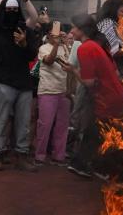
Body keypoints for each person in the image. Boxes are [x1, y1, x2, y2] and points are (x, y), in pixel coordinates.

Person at [0, 0, 40, 172]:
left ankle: (21, 156)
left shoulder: (25, 30)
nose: (12, 12)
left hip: (23, 81)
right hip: (2, 80)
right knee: (1, 120)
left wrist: (23, 44)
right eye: (9, 9)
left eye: (16, 9)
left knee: (24, 121)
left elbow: (32, 54)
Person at [66, 15, 123, 180]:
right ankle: (84, 164)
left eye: (73, 28)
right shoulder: (95, 46)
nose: (71, 31)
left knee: (99, 134)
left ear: (82, 30)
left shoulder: (85, 48)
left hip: (106, 99)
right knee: (96, 132)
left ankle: (97, 167)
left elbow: (89, 83)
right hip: (111, 96)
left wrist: (73, 71)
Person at [35, 21, 73, 166]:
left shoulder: (65, 47)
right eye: (54, 32)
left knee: (62, 126)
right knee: (45, 125)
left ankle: (59, 155)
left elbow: (72, 64)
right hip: (48, 90)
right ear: (48, 34)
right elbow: (49, 61)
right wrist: (57, 44)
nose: (57, 34)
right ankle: (40, 156)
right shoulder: (43, 48)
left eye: (59, 32)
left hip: (64, 91)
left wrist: (65, 44)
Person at [96, 0, 123, 73]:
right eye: (122, 11)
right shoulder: (107, 24)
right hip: (109, 70)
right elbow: (114, 52)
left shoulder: (116, 24)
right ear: (113, 11)